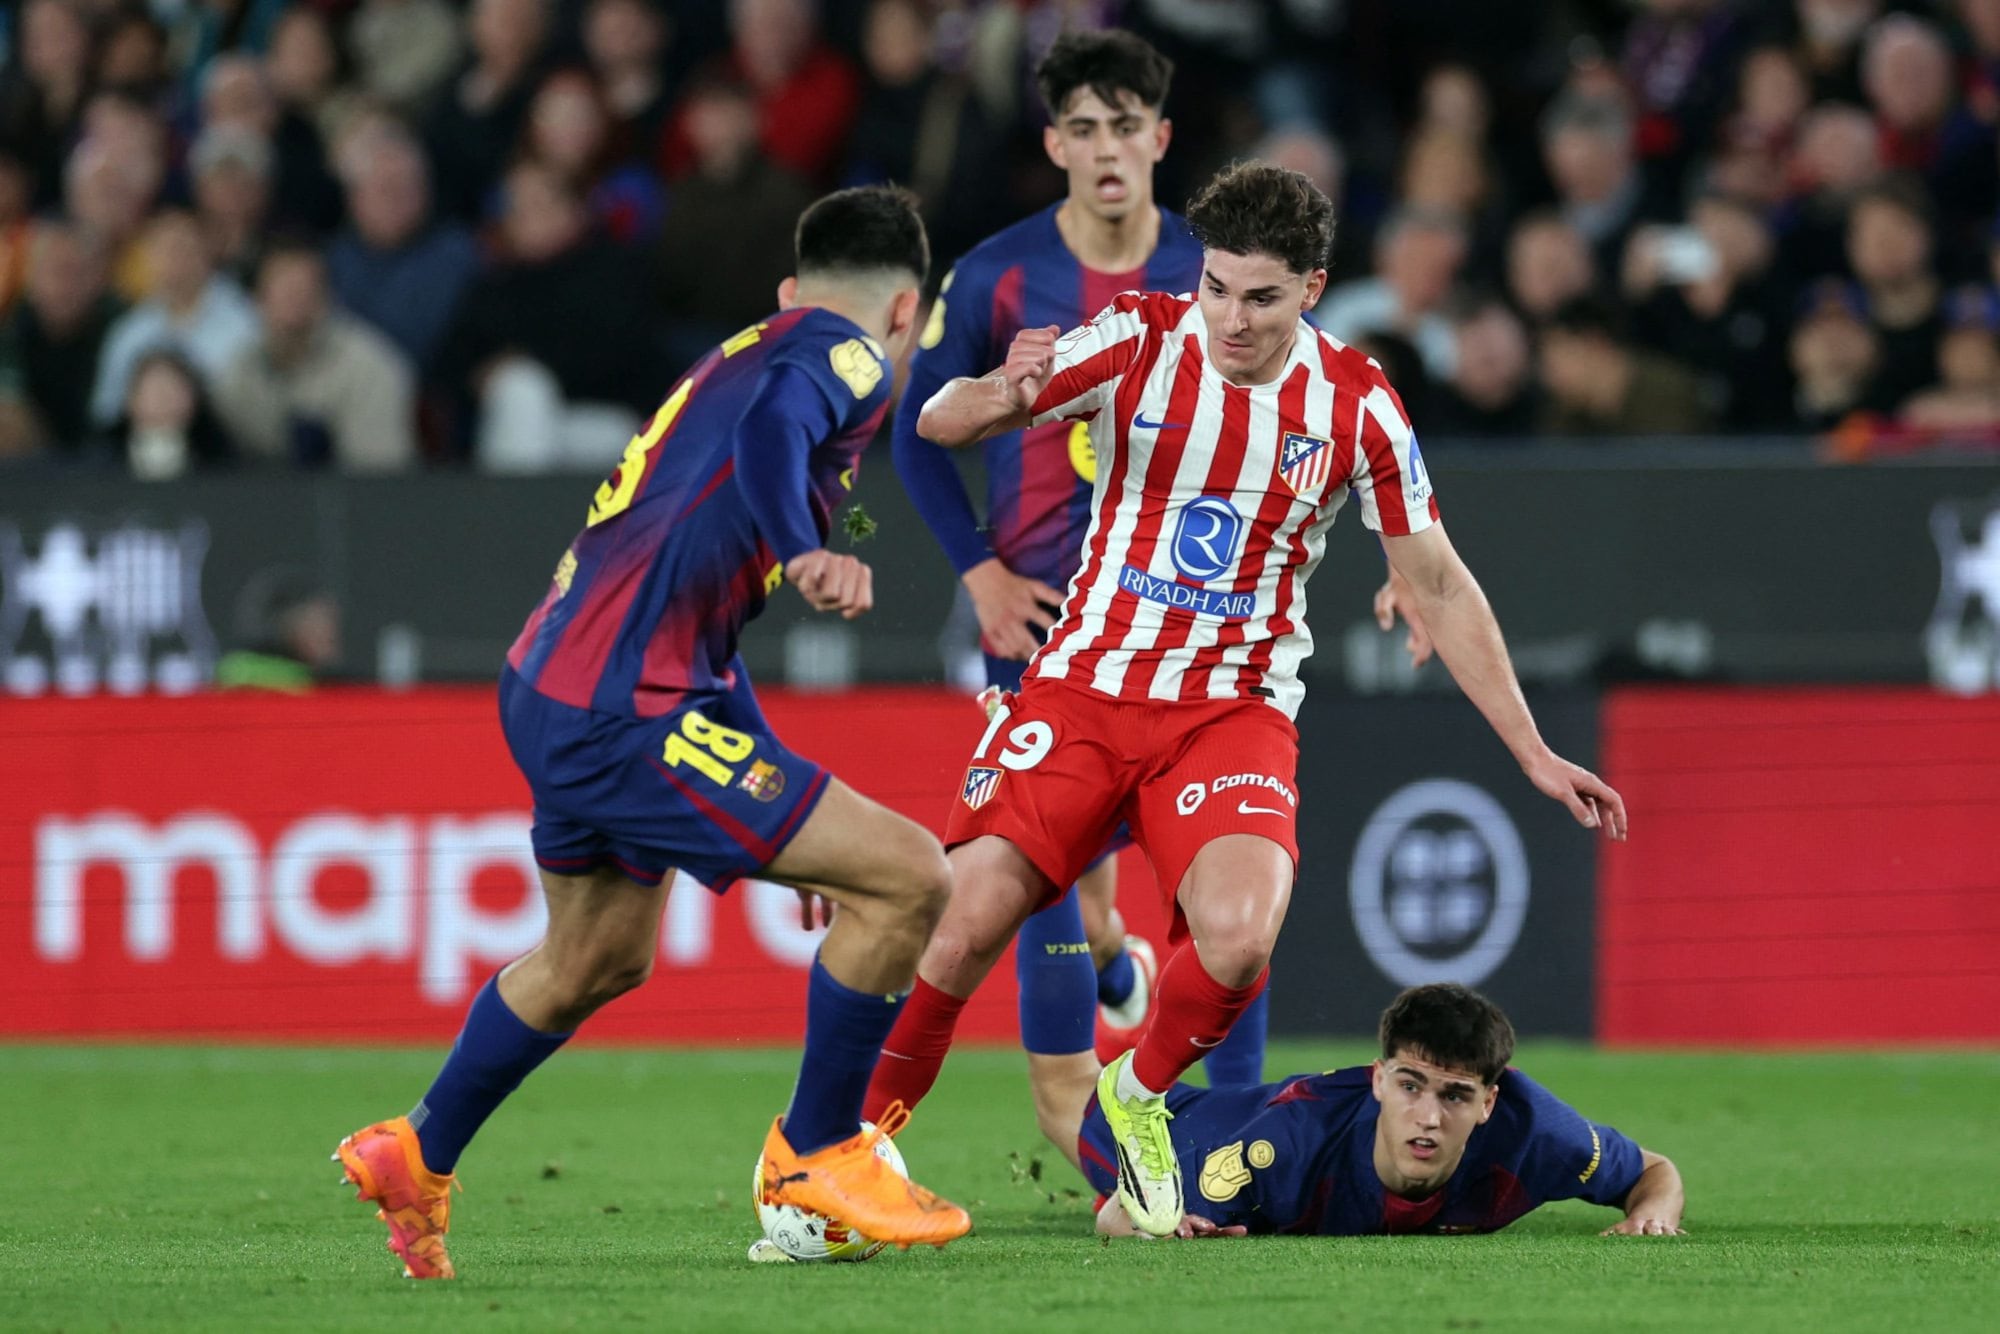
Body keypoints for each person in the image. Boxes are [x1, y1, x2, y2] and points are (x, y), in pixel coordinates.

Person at [874, 160, 1626, 1239]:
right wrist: (1000, 388)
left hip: (1226, 712)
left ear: (1311, 288)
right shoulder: (1135, 335)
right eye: (1216, 287)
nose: (1229, 317)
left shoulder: (1356, 403)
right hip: (1084, 686)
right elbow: (940, 421)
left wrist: (1532, 750)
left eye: (1260, 296)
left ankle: (1133, 1097)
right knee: (956, 926)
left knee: (1236, 934)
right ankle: (842, 1154)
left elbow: (1439, 582)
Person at [334, 185, 971, 1280]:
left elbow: (711, 615)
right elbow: (784, 427)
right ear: (906, 310)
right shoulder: (848, 357)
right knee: (912, 877)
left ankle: (415, 1149)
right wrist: (806, 546)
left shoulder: (738, 352)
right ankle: (815, 1152)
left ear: (787, 286)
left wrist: (785, 784)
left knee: (594, 954)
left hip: (558, 683)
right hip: (624, 703)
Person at [885, 29, 1270, 1158]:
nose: (1106, 150)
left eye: (1126, 127)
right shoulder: (999, 272)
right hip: (1043, 624)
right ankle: (1070, 1099)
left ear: (1160, 138)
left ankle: (1225, 1130)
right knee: (1044, 872)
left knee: (1207, 889)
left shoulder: (1218, 274)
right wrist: (982, 573)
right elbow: (920, 432)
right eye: (1083, 130)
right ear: (1055, 143)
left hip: (1189, 629)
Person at [1081, 983, 1686, 1239]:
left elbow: (1651, 1173)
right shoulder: (1279, 1150)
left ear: (1489, 1103)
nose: (1428, 1117)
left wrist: (1651, 1219)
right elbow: (1117, 1215)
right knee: (1063, 1086)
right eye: (1410, 1086)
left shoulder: (1534, 1130)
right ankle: (1107, 969)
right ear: (1378, 1080)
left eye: (1455, 1096)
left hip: (1250, 1111)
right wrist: (1163, 1223)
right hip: (1159, 1127)